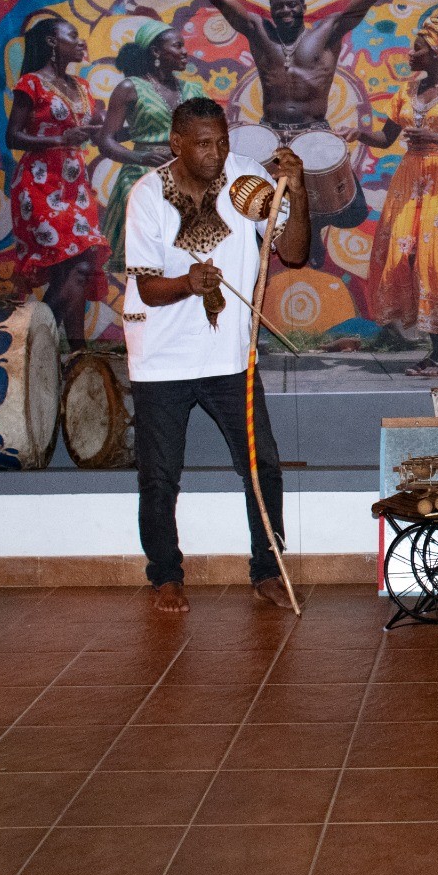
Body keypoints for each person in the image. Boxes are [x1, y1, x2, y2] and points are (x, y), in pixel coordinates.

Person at [121, 97, 311, 613]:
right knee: (159, 475)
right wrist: (188, 281)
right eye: (203, 144)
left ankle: (267, 570)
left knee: (261, 465)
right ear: (176, 144)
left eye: (222, 141)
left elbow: (293, 251)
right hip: (161, 359)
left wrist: (298, 191)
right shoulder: (147, 195)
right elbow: (147, 290)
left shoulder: (244, 178)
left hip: (230, 358)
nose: (216, 153)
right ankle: (166, 576)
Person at [150, 0, 431, 133]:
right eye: (279, 6)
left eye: (292, 5)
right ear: (271, 10)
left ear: (303, 7)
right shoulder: (259, 31)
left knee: (328, 208)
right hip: (269, 130)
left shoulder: (327, 31)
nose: (285, 10)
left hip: (314, 130)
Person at [355, 13, 438, 376]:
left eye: (418, 47)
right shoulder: (407, 91)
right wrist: (358, 133)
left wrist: (437, 139)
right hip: (408, 178)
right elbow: (386, 139)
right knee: (407, 257)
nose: (410, 53)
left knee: (432, 258)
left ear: (437, 52)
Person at [5, 16, 112, 347]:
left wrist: (98, 130)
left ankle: (76, 354)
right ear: (52, 42)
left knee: (76, 269)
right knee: (75, 267)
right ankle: (32, 347)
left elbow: (89, 128)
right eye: (73, 36)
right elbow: (13, 136)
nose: (80, 42)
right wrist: (59, 138)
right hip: (39, 184)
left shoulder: (82, 87)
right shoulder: (32, 84)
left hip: (75, 185)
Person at [98, 20, 204, 274]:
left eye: (183, 46)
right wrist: (141, 157)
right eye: (177, 46)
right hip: (143, 179)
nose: (184, 51)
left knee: (186, 264)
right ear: (156, 52)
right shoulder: (130, 88)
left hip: (188, 179)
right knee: (147, 267)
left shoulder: (193, 88)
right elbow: (106, 140)